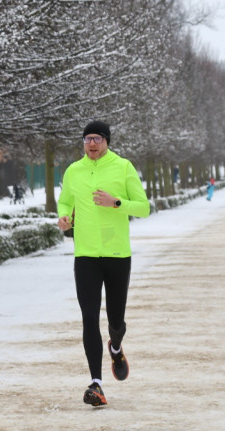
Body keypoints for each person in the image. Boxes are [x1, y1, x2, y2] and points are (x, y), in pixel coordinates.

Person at [57, 121, 150, 407]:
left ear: (107, 140)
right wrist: (64, 218)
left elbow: (144, 207)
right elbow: (65, 202)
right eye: (87, 139)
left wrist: (117, 203)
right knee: (88, 317)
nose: (91, 144)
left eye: (96, 138)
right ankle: (96, 384)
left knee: (115, 320)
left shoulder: (123, 167)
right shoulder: (74, 171)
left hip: (117, 255)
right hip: (85, 255)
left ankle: (116, 346)